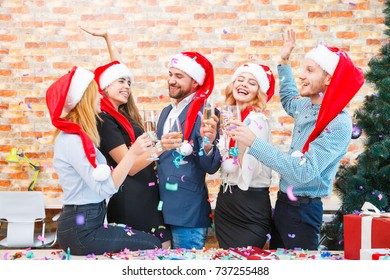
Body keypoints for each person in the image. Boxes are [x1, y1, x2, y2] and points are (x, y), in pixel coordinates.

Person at [228, 28, 364, 250]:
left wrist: (254, 142)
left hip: (303, 212)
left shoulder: (338, 122)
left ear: (329, 78)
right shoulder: (306, 106)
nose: (302, 75)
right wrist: (283, 60)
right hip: (282, 206)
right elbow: (290, 98)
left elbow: (304, 171)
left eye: (309, 70)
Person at [46, 66, 162, 255]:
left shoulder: (80, 136)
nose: (100, 97)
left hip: (86, 221)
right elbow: (105, 188)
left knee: (148, 241)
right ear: (85, 98)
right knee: (152, 243)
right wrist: (132, 154)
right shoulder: (72, 139)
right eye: (96, 93)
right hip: (81, 228)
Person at [80, 27, 171, 249]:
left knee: (163, 249)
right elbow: (129, 166)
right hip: (130, 198)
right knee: (144, 252)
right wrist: (161, 147)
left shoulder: (124, 114)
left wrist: (109, 38)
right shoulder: (104, 119)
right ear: (104, 87)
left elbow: (117, 69)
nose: (127, 86)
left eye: (129, 82)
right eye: (121, 82)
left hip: (149, 194)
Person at [156, 51, 222, 249]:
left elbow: (210, 165)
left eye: (179, 76)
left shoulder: (206, 112)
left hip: (188, 213)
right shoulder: (166, 112)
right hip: (161, 209)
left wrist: (208, 144)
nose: (172, 81)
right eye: (170, 74)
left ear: (195, 83)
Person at [214, 62, 275, 249]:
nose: (243, 85)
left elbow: (252, 170)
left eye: (251, 83)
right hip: (226, 204)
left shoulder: (258, 121)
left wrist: (239, 143)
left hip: (250, 207)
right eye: (240, 80)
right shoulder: (228, 120)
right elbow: (222, 162)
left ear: (259, 92)